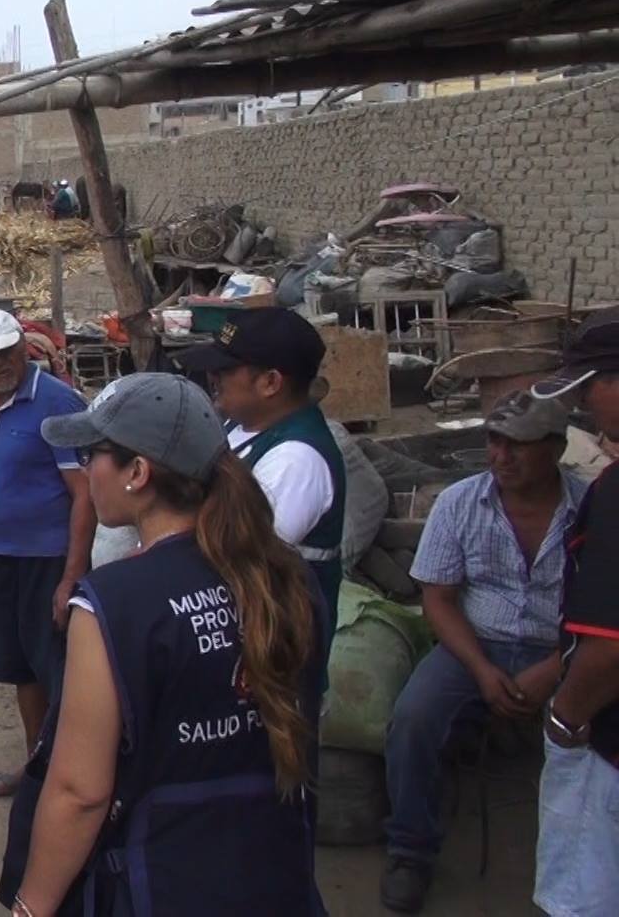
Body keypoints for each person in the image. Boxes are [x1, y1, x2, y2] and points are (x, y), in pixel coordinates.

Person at [0, 372, 329, 916]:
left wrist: (30, 908)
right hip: (272, 871)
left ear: (137, 472)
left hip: (159, 880)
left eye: (91, 454)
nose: (86, 469)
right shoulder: (287, 577)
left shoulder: (113, 603)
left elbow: (80, 793)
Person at [380, 390, 583, 913]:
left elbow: (606, 616)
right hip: (474, 644)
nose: (501, 456)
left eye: (519, 444)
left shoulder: (590, 510)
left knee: (600, 737)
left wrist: (555, 667)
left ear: (557, 448)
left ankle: (590, 859)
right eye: (494, 440)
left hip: (568, 648)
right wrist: (482, 670)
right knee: (413, 719)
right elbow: (438, 599)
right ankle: (410, 850)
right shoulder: (460, 502)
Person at [0, 308, 94, 799]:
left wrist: (70, 577)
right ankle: (38, 771)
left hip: (46, 562)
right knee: (23, 671)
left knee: (59, 673)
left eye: (7, 351)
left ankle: (75, 781)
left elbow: (84, 495)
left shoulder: (57, 403)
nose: (1, 363)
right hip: (0, 560)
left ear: (23, 347)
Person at [178, 306, 348, 637]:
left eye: (225, 369)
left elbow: (241, 557)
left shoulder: (297, 460)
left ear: (270, 382)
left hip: (273, 647)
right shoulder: (239, 425)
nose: (213, 377)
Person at [531, 305, 619, 916]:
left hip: (607, 740)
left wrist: (565, 717)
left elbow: (610, 646)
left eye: (590, 388)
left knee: (585, 896)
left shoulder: (613, 494)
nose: (585, 405)